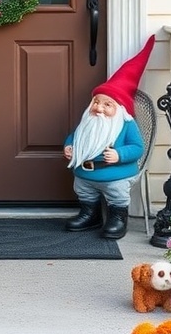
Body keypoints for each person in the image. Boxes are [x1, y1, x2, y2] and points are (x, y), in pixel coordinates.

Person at [64, 35, 155, 240]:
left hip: (115, 174)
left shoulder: (126, 124)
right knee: (85, 192)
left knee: (116, 195)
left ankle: (118, 218)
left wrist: (119, 154)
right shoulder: (89, 120)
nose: (99, 108)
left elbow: (137, 147)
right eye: (97, 102)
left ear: (119, 109)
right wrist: (69, 145)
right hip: (85, 173)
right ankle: (90, 214)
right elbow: (75, 135)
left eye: (107, 104)